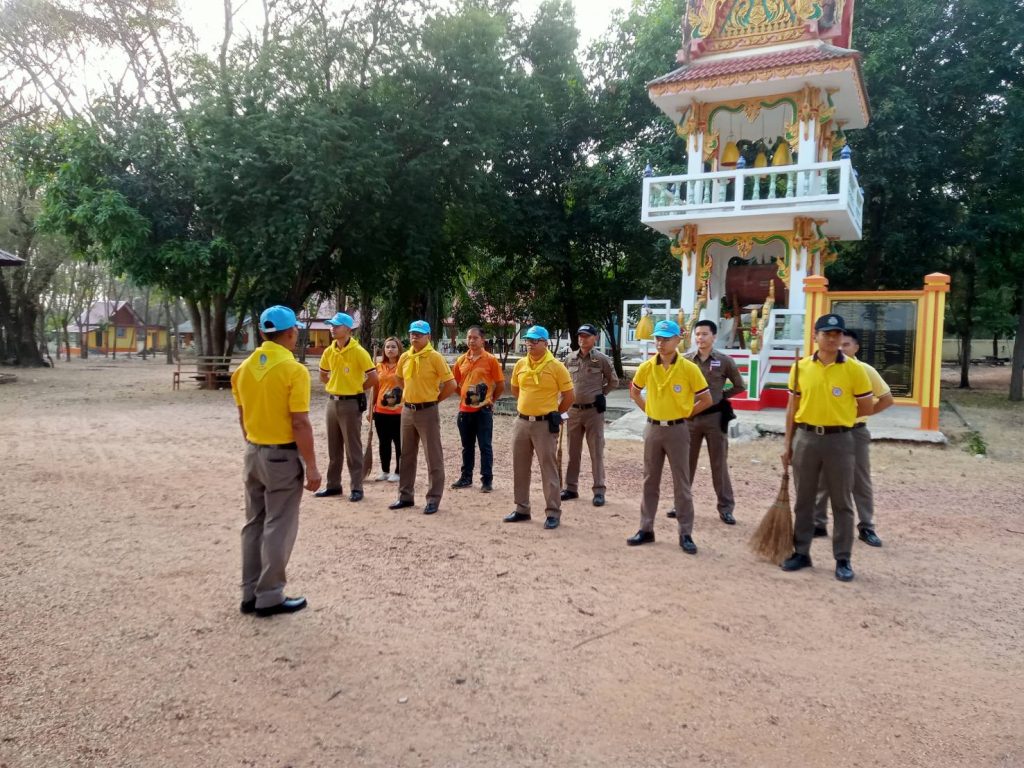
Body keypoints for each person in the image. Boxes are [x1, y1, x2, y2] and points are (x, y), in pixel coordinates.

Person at [231, 305, 321, 617]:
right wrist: (311, 466)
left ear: (262, 332)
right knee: (279, 523)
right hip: (282, 456)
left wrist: (255, 444)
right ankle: (269, 595)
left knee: (254, 523)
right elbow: (300, 422)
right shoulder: (293, 371)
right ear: (292, 332)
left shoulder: (243, 370)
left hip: (254, 451)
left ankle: (249, 593)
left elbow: (242, 417)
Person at [780, 313, 873, 582]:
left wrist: (839, 417)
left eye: (837, 334)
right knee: (804, 499)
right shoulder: (800, 368)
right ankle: (801, 552)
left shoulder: (854, 369)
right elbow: (792, 408)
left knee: (842, 500)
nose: (832, 339)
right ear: (815, 337)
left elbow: (866, 406)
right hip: (806, 438)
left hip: (840, 440)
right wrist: (788, 444)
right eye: (826, 334)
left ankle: (843, 558)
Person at [627, 320, 712, 554]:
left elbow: (706, 399)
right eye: (658, 338)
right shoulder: (647, 367)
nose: (660, 343)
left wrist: (685, 413)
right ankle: (646, 528)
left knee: (681, 482)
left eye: (666, 338)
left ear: (678, 340)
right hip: (653, 429)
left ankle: (685, 533)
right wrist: (650, 410)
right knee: (649, 480)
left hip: (677, 430)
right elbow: (634, 392)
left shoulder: (689, 368)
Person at [812, 329, 894, 546]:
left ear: (856, 348)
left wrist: (858, 414)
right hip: (827, 431)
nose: (841, 348)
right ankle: (818, 523)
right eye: (839, 344)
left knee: (859, 480)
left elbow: (886, 399)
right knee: (822, 479)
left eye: (846, 344)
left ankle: (866, 526)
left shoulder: (864, 370)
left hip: (854, 432)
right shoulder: (823, 369)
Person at [503, 325, 575, 530]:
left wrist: (556, 414)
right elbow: (515, 389)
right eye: (528, 340)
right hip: (522, 422)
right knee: (520, 466)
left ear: (545, 343)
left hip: (544, 424)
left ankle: (553, 512)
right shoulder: (521, 364)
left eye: (535, 341)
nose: (530, 344)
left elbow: (569, 396)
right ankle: (522, 508)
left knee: (548, 468)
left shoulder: (556, 366)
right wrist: (528, 406)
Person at [679, 319, 745, 525]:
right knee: (685, 463)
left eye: (705, 334)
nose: (700, 338)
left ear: (714, 336)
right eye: (697, 334)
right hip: (691, 418)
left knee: (719, 464)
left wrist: (721, 396)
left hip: (715, 419)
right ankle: (680, 504)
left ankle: (726, 508)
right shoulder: (685, 360)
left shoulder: (724, 361)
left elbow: (740, 385)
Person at [388, 320, 457, 515]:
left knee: (433, 455)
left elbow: (451, 384)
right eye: (412, 333)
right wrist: (410, 393)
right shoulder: (405, 357)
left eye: (419, 333)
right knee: (406, 455)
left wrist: (435, 400)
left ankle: (433, 498)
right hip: (408, 411)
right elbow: (398, 378)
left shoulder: (435, 357)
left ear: (428, 336)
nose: (414, 336)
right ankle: (405, 496)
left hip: (428, 411)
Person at [315, 312, 378, 502]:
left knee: (353, 448)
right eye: (331, 325)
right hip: (332, 402)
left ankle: (356, 487)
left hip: (351, 403)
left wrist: (356, 388)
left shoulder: (359, 352)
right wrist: (335, 384)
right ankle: (333, 485)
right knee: (333, 447)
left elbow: (373, 377)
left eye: (336, 325)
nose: (332, 329)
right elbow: (322, 375)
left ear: (348, 329)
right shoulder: (329, 351)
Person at [561, 324, 618, 507]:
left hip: (594, 412)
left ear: (595, 338)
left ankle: (599, 490)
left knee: (596, 451)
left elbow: (613, 380)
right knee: (573, 451)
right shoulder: (569, 358)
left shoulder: (601, 359)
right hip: (573, 411)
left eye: (586, 336)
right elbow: (562, 383)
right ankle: (571, 488)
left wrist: (602, 394)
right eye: (580, 336)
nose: (582, 339)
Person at [451, 325, 505, 493]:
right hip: (464, 411)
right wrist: (463, 395)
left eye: (475, 338)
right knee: (467, 446)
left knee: (485, 446)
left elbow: (500, 384)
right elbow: (454, 383)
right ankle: (466, 477)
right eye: (469, 337)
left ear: (483, 340)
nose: (471, 341)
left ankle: (487, 480)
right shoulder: (461, 360)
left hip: (483, 411)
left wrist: (491, 400)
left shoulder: (490, 360)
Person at [368, 336, 404, 482]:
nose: (390, 349)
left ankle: (399, 472)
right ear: (384, 350)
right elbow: (375, 389)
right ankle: (385, 470)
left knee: (399, 442)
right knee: (384, 442)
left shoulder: (403, 366)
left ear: (399, 349)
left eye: (393, 347)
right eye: (387, 347)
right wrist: (370, 409)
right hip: (380, 411)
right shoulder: (378, 367)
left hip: (399, 412)